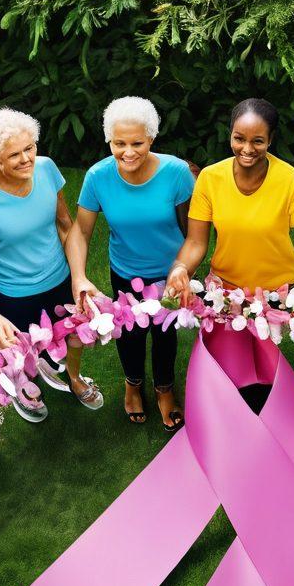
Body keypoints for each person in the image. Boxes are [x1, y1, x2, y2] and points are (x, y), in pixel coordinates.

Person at [0, 107, 102, 414]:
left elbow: (66, 224)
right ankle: (26, 392)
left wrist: (78, 276)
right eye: (14, 155)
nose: (26, 159)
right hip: (14, 296)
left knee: (75, 335)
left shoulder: (47, 169)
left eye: (29, 148)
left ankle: (74, 378)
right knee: (22, 355)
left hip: (60, 279)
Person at [67, 96, 196, 429]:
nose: (128, 152)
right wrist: (79, 277)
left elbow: (192, 231)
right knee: (130, 335)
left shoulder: (177, 173)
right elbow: (80, 233)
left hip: (169, 275)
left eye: (137, 143)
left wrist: (185, 270)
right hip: (125, 271)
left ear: (151, 138)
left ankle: (165, 389)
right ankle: (133, 383)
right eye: (118, 143)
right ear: (109, 140)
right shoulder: (98, 177)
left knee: (165, 335)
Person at [164, 98, 294, 320]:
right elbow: (195, 241)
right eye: (239, 139)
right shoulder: (210, 178)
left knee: (265, 354)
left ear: (270, 140)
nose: (247, 149)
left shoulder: (290, 179)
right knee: (226, 354)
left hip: (277, 292)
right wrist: (181, 267)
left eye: (257, 141)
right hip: (225, 289)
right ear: (230, 134)